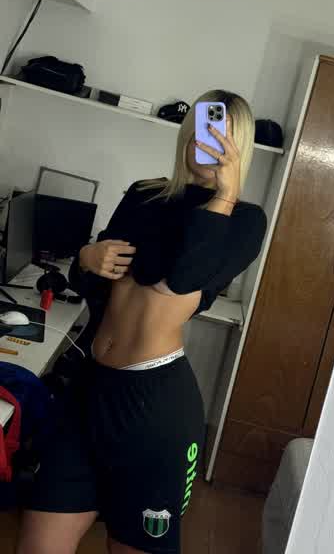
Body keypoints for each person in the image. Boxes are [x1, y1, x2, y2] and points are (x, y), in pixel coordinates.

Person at [16, 90, 267, 554]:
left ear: (240, 146)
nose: (204, 141)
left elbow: (186, 277)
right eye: (199, 128)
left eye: (220, 135)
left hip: (153, 406)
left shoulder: (244, 220)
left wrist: (225, 195)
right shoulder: (145, 194)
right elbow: (92, 284)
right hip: (90, 390)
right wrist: (87, 257)